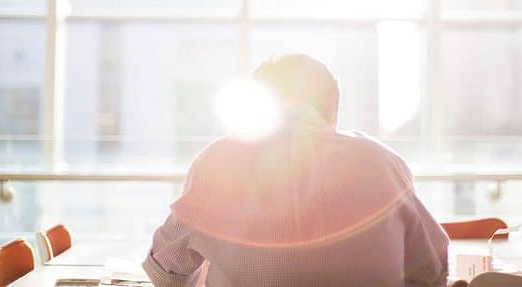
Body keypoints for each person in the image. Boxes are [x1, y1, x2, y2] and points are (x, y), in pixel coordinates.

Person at [143, 54, 449, 287]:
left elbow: (165, 270)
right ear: (333, 113)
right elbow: (432, 269)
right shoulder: (383, 162)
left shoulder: (219, 161)